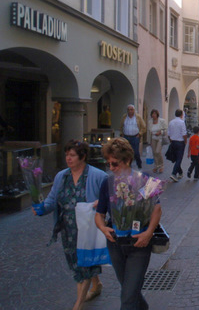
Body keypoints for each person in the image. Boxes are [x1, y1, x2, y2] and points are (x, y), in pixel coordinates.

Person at [32, 140, 108, 310]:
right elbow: (52, 199)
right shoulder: (62, 176)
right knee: (77, 262)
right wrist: (42, 208)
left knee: (84, 265)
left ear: (83, 156)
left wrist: (100, 204)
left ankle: (77, 305)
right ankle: (97, 285)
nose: (68, 158)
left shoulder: (97, 176)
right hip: (68, 228)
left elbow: (108, 199)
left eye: (72, 155)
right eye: (67, 155)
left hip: (88, 228)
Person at [95, 138, 162, 310]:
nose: (111, 168)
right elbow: (99, 214)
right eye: (108, 163)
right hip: (116, 244)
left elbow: (156, 210)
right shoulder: (107, 182)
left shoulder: (146, 179)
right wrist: (103, 228)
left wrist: (148, 234)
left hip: (139, 243)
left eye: (115, 164)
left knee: (127, 297)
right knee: (129, 290)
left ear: (127, 160)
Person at [119, 104, 146, 169]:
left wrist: (139, 134)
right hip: (126, 137)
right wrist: (121, 134)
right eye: (128, 110)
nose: (130, 111)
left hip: (135, 137)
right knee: (127, 153)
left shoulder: (138, 117)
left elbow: (144, 127)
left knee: (136, 153)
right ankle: (129, 167)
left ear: (134, 110)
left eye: (131, 109)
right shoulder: (124, 117)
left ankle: (139, 164)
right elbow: (121, 126)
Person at [167, 109, 187, 182]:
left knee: (176, 158)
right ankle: (173, 173)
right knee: (179, 158)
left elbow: (168, 133)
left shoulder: (171, 122)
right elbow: (184, 133)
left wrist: (170, 140)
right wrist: (185, 141)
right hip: (180, 142)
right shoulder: (182, 122)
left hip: (173, 142)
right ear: (181, 115)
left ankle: (180, 172)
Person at [147, 109, 168, 173]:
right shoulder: (150, 122)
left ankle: (161, 165)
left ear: (157, 114)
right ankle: (156, 166)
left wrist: (160, 132)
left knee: (157, 152)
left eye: (155, 114)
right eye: (152, 114)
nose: (153, 115)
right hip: (153, 138)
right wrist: (149, 141)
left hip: (159, 138)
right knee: (154, 152)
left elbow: (165, 129)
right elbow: (149, 132)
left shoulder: (162, 121)